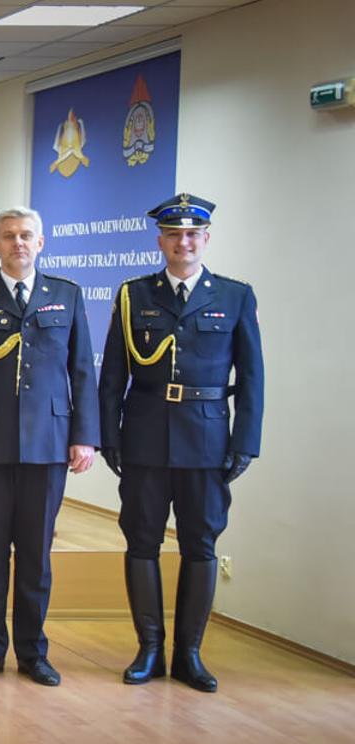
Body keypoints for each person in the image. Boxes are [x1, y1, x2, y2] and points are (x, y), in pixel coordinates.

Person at [99, 193, 262, 693]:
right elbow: (113, 377)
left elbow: (252, 376)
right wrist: (110, 437)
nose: (183, 243)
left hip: (208, 438)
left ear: (205, 240)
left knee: (201, 546)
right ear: (161, 241)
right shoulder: (134, 295)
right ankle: (149, 649)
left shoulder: (234, 297)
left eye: (192, 235)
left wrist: (244, 442)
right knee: (141, 543)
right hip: (146, 435)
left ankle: (189, 654)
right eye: (173, 235)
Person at [0, 207, 99, 687]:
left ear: (42, 243)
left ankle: (34, 654)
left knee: (36, 558)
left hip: (49, 446)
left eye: (27, 236)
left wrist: (85, 436)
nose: (18, 243)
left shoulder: (66, 295)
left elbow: (82, 372)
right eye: (9, 236)